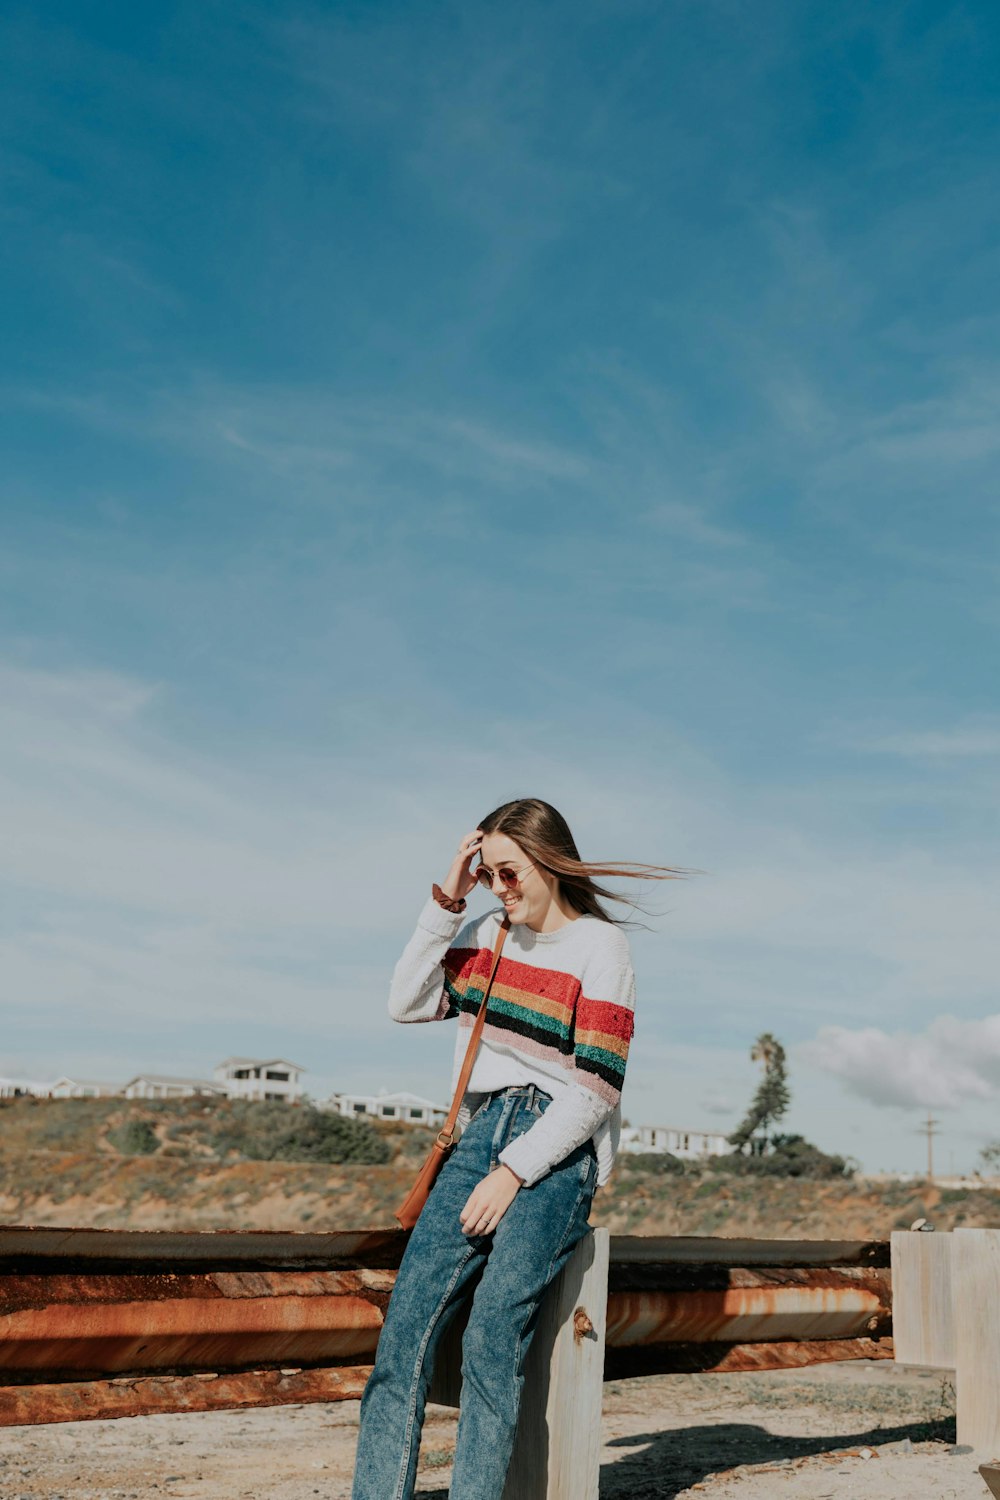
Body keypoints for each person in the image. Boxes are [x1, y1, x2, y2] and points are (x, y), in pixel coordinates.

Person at [351, 797, 679, 1500]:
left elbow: (596, 1087)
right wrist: (447, 899)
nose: (501, 888)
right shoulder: (485, 934)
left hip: (556, 1151)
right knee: (402, 1338)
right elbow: (405, 1003)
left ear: (550, 863)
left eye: (511, 873)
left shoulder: (602, 947)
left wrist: (513, 1170)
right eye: (489, 873)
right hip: (477, 1136)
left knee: (491, 1337)